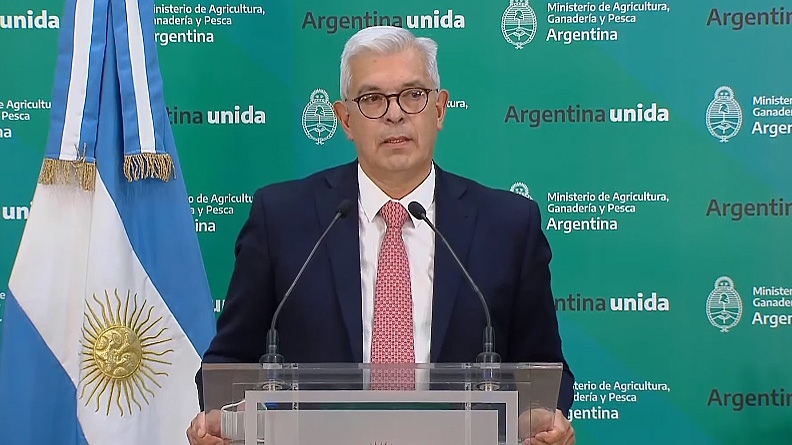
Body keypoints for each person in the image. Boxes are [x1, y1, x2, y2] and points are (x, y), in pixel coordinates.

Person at [187, 25, 575, 445]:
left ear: (440, 109)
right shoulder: (282, 218)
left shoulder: (508, 225)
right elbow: (228, 363)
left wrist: (541, 419)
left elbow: (543, 369)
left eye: (413, 94)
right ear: (345, 119)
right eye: (373, 99)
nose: (395, 114)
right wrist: (223, 420)